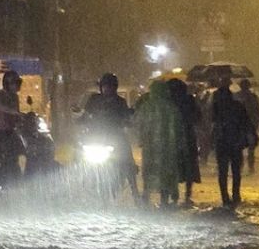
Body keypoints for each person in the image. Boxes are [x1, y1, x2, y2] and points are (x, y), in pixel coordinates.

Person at [80, 73, 142, 204]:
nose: (106, 89)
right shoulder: (93, 100)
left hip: (115, 138)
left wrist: (128, 120)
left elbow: (126, 117)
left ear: (114, 87)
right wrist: (80, 120)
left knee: (127, 162)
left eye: (109, 86)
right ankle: (83, 186)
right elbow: (85, 115)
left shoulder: (120, 102)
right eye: (104, 86)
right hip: (95, 138)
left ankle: (135, 192)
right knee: (81, 158)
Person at [135, 80, 182, 208]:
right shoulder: (171, 108)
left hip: (150, 146)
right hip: (168, 147)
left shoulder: (146, 107)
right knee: (166, 172)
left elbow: (138, 124)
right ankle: (164, 199)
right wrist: (179, 143)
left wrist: (140, 140)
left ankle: (146, 195)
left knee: (149, 170)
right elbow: (178, 128)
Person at [211, 77, 252, 208]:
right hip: (235, 143)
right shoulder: (238, 106)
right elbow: (246, 122)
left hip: (222, 143)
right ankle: (236, 195)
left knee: (223, 172)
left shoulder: (216, 108)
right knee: (236, 171)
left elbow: (212, 124)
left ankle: (225, 197)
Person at [0, 71, 25, 190]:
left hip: (10, 130)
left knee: (20, 151)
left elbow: (16, 116)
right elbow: (2, 107)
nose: (17, 86)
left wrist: (22, 121)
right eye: (15, 83)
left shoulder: (15, 97)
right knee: (6, 156)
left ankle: (18, 179)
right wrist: (16, 113)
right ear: (7, 83)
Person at [168, 78, 202, 205]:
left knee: (174, 166)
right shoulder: (189, 100)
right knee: (189, 167)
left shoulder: (169, 102)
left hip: (173, 138)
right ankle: (187, 196)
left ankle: (174, 195)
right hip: (188, 137)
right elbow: (198, 117)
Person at [236, 78, 259, 174]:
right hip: (249, 126)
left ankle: (242, 166)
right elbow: (258, 112)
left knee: (240, 147)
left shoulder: (237, 96)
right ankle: (250, 166)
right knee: (250, 147)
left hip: (241, 126)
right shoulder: (253, 97)